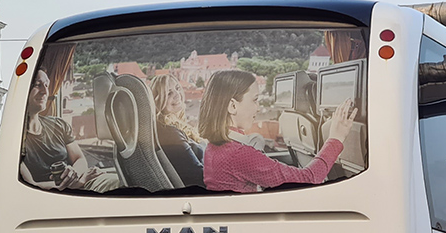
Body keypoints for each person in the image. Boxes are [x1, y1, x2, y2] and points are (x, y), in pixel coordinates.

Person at [200, 69, 356, 193]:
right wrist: (336, 137)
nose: (258, 107)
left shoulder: (215, 147)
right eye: (255, 100)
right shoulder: (239, 154)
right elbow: (310, 178)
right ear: (232, 106)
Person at [19, 69, 101, 191]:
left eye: (46, 85)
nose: (44, 91)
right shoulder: (14, 139)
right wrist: (78, 183)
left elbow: (79, 159)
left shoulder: (59, 125)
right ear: (22, 89)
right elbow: (31, 185)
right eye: (37, 85)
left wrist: (75, 172)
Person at [150, 74, 204, 187]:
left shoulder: (160, 128)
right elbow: (199, 176)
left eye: (177, 89)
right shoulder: (169, 134)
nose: (177, 95)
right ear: (157, 100)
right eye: (169, 93)